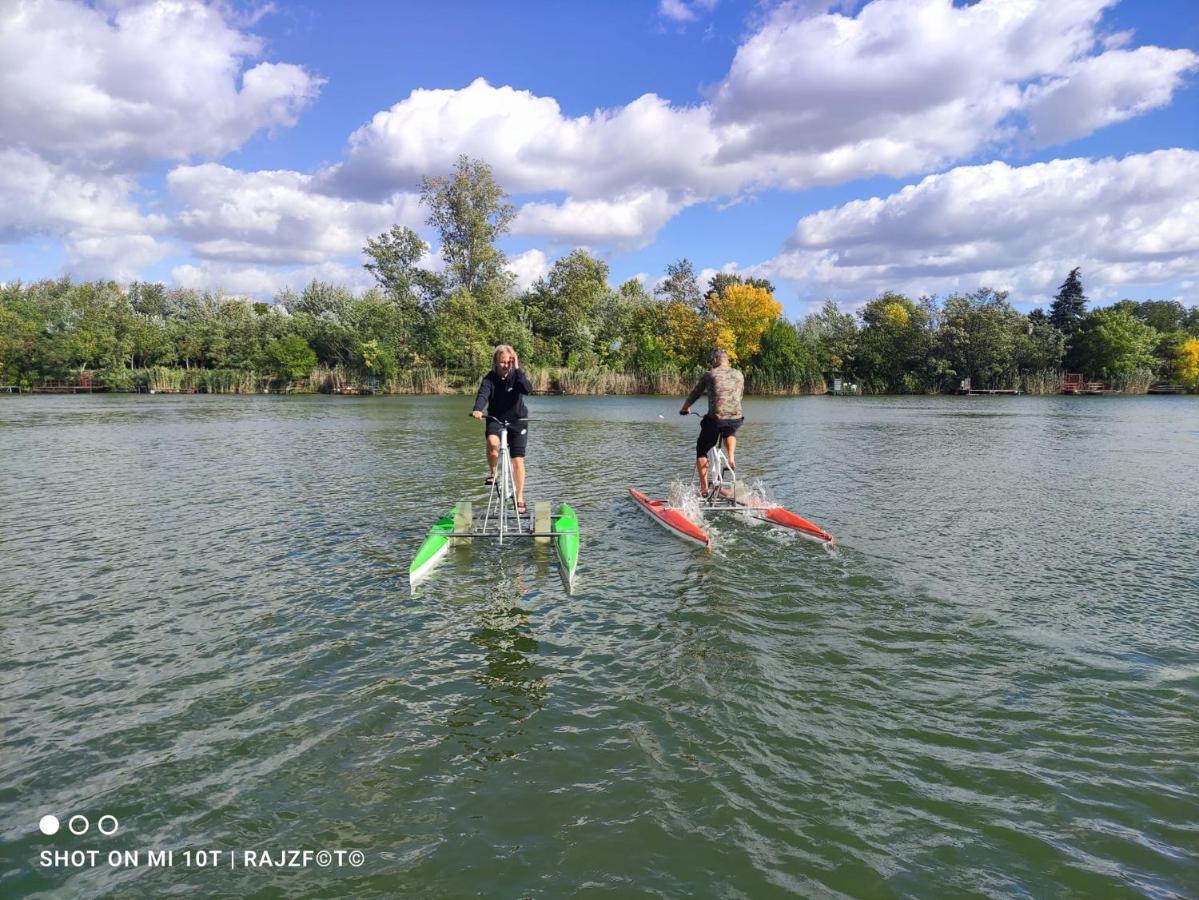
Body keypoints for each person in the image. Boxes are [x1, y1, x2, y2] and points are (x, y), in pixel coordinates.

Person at [472, 344, 532, 514]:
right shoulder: (489, 378)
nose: (505, 365)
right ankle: (492, 472)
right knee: (492, 442)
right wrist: (478, 409)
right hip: (496, 419)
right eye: (502, 362)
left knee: (517, 460)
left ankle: (519, 497)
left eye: (508, 362)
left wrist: (518, 369)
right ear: (496, 362)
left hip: (518, 420)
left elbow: (527, 389)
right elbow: (483, 394)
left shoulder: (517, 376)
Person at [679, 348, 744, 497]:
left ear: (715, 359)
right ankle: (731, 457)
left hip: (716, 418)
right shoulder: (739, 374)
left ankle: (703, 489)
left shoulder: (710, 374)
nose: (711, 364)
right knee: (730, 431)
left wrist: (685, 408)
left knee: (702, 448)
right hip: (736, 417)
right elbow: (739, 395)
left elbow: (696, 393)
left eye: (711, 361)